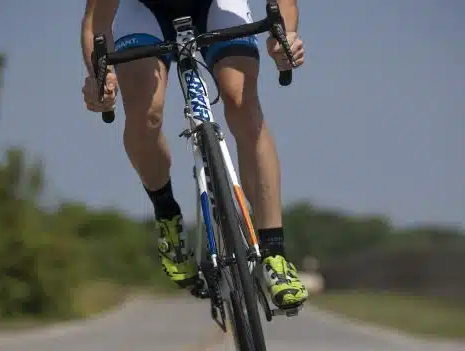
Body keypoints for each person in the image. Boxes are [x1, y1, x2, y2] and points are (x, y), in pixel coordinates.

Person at [81, 0, 308, 309]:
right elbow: (97, 20)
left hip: (218, 5)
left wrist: (287, 37)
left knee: (243, 104)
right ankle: (167, 216)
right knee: (145, 115)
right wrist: (99, 77)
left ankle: (274, 254)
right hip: (145, 11)